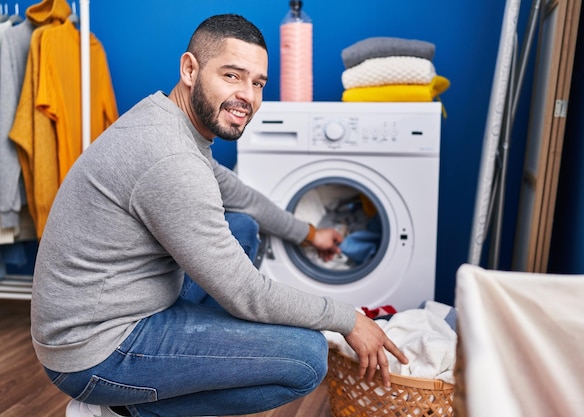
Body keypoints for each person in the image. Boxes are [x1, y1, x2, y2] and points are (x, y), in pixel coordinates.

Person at [30, 14, 407, 417]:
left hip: (124, 306)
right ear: (190, 69)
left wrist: (309, 233)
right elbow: (248, 294)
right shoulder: (170, 158)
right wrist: (348, 319)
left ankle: (179, 369)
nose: (247, 95)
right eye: (232, 75)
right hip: (94, 352)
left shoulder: (170, 121)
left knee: (241, 226)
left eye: (258, 82)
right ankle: (121, 408)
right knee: (306, 358)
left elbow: (241, 197)